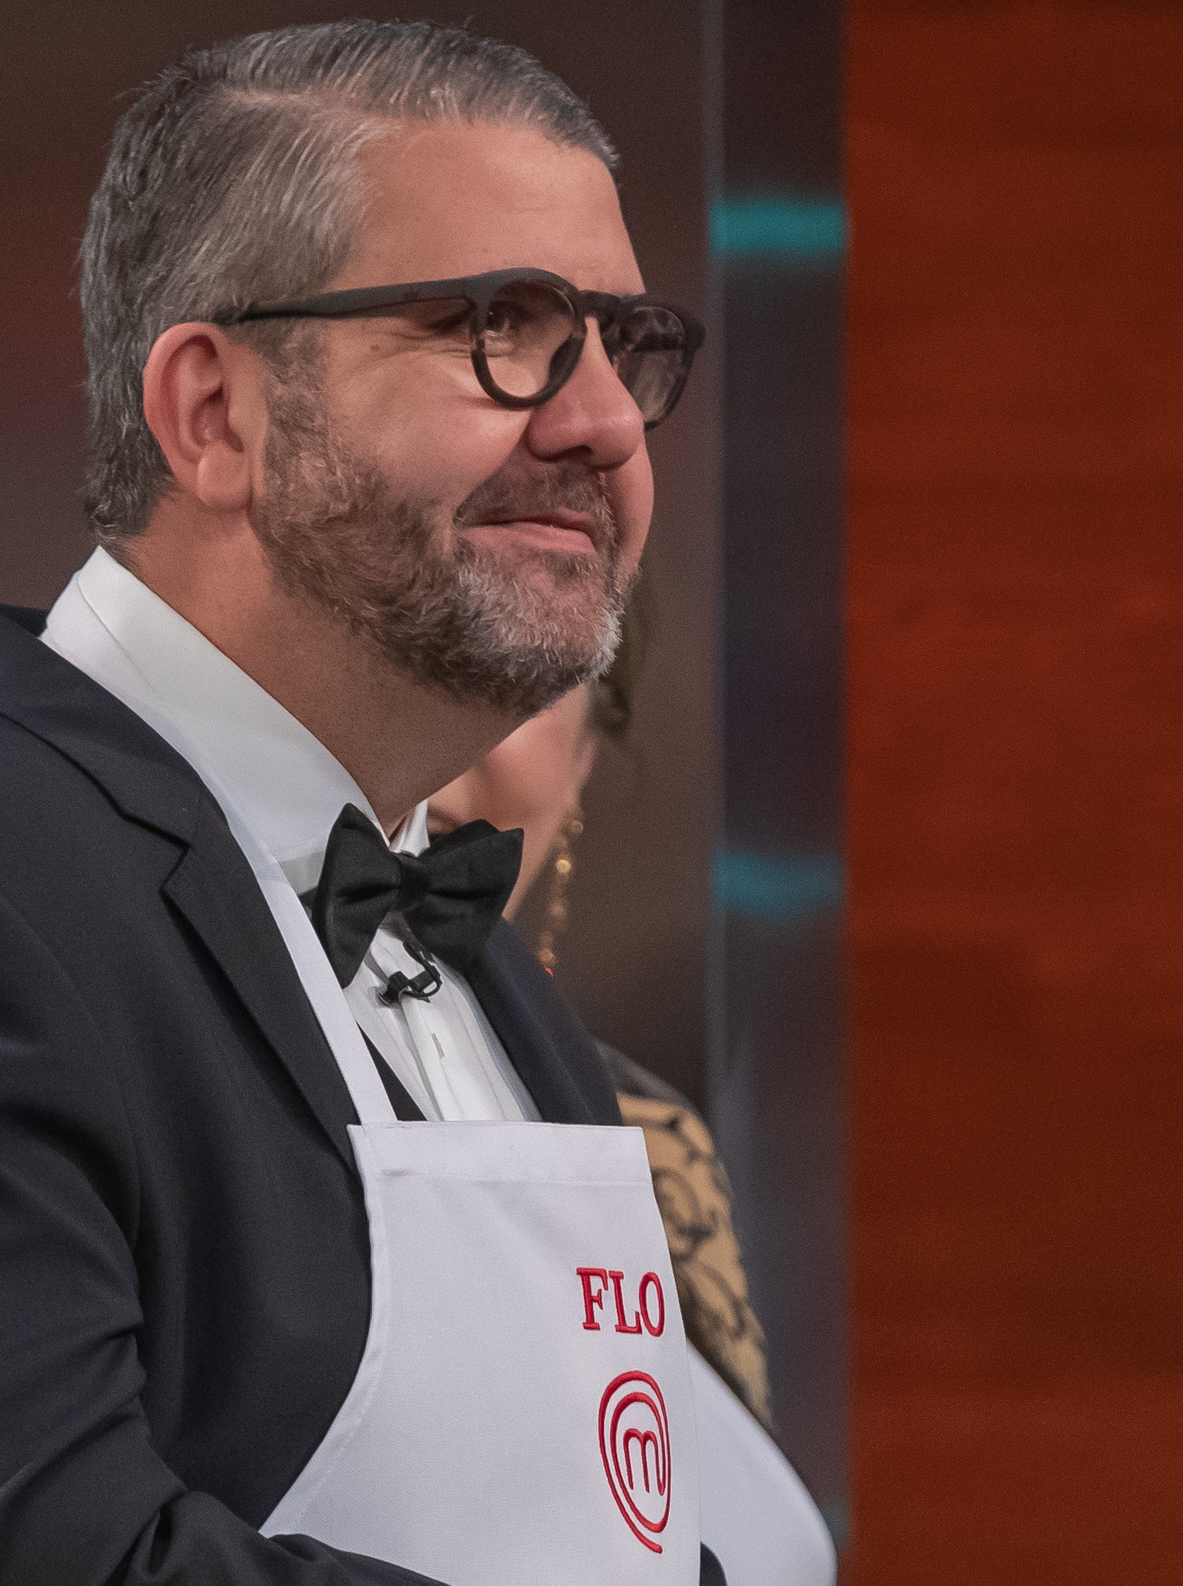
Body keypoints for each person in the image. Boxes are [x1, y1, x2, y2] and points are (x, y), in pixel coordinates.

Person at [0, 21, 731, 1586]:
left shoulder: (486, 966)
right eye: (504, 329)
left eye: (625, 346)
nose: (606, 423)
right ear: (215, 413)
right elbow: (18, 1555)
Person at [426, 622, 838, 1586]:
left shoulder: (656, 1149)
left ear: (583, 762)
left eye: (508, 671)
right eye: (407, 657)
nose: (437, 737)